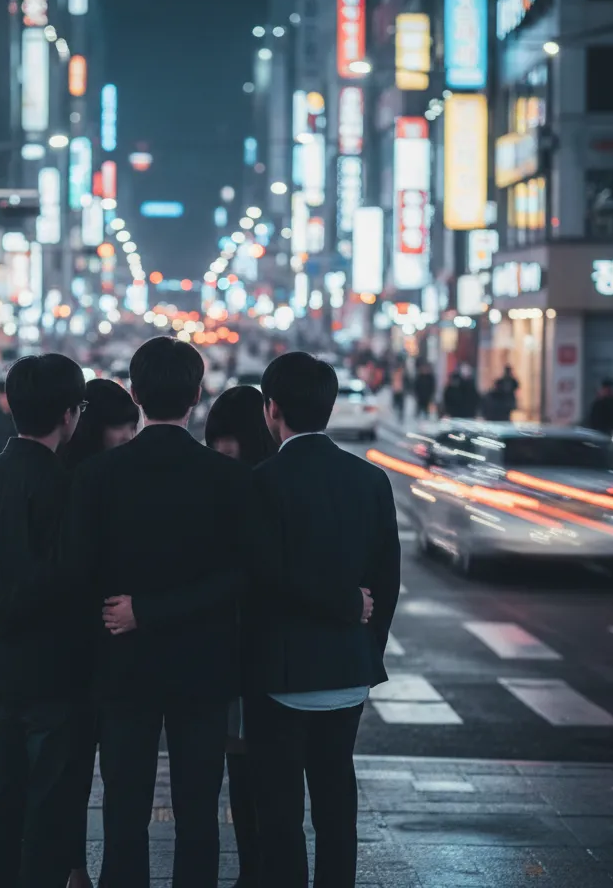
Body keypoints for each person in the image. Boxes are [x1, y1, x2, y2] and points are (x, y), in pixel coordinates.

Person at [64, 337, 253, 888]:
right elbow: (242, 576)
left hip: (122, 662)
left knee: (123, 808)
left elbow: (80, 572)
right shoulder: (229, 478)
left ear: (136, 393)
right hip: (204, 664)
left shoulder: (98, 477)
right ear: (198, 393)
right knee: (199, 810)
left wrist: (135, 610)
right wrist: (159, 608)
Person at [245, 352, 400, 888]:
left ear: (272, 410)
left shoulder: (263, 482)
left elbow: (261, 579)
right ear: (330, 409)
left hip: (280, 674)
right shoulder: (370, 480)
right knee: (337, 803)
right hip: (348, 670)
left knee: (280, 811)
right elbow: (388, 581)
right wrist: (363, 641)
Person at [0, 354, 89, 888]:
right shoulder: (63, 486)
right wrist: (5, 612)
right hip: (53, 668)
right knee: (50, 800)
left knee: (3, 791)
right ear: (68, 415)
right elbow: (62, 577)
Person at [61, 377, 140, 888]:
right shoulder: (101, 480)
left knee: (72, 773)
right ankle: (82, 870)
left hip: (75, 649)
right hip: (105, 646)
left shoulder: (67, 474)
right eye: (123, 428)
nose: (130, 437)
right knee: (112, 775)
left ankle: (74, 869)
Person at [204, 385, 277, 888]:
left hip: (256, 649)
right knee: (242, 766)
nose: (221, 449)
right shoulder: (227, 484)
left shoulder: (258, 488)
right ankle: (254, 866)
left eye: (229, 439)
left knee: (258, 769)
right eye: (216, 440)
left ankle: (259, 866)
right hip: (233, 652)